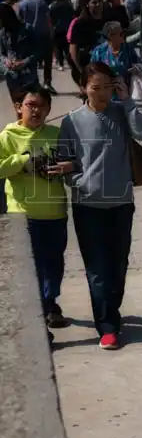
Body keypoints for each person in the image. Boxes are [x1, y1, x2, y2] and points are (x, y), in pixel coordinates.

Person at [58, 62, 142, 349]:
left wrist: (127, 101)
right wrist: (79, 181)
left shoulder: (121, 112)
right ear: (84, 88)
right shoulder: (72, 121)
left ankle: (111, 309)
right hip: (87, 206)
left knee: (118, 264)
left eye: (107, 88)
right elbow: (64, 159)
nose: (101, 94)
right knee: (97, 268)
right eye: (95, 88)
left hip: (121, 202)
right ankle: (107, 326)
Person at [0, 83, 70, 338]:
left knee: (54, 263)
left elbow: (73, 162)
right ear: (19, 108)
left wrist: (64, 166)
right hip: (23, 213)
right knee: (32, 268)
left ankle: (50, 302)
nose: (36, 110)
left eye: (42, 106)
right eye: (30, 105)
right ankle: (39, 318)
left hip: (55, 211)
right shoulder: (8, 136)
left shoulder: (56, 134)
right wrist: (22, 161)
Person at [18, 0, 54, 94]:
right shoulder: (41, 3)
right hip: (44, 35)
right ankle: (47, 83)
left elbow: (20, 21)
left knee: (32, 60)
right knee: (47, 61)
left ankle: (33, 83)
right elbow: (48, 20)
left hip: (29, 37)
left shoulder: (22, 5)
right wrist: (51, 32)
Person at [0, 2, 37, 101]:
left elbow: (38, 51)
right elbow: (1, 53)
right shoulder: (2, 33)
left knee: (30, 104)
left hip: (28, 76)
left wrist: (23, 62)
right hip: (12, 75)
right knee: (18, 106)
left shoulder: (27, 29)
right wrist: (6, 61)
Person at [69, 0, 105, 87]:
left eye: (100, 1)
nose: (98, 4)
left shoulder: (108, 20)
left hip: (106, 67)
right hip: (87, 65)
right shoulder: (80, 24)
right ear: (87, 5)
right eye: (94, 2)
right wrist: (81, 70)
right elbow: (73, 49)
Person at [90, 21, 139, 89]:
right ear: (111, 36)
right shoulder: (99, 51)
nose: (124, 35)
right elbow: (92, 71)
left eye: (123, 32)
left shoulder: (128, 49)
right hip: (105, 91)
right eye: (121, 34)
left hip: (125, 91)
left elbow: (138, 66)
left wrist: (135, 70)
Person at [49, 0, 73, 71]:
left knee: (58, 48)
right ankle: (70, 63)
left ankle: (61, 64)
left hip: (56, 29)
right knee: (67, 48)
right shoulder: (68, 4)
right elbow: (72, 15)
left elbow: (50, 18)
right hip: (67, 28)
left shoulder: (52, 6)